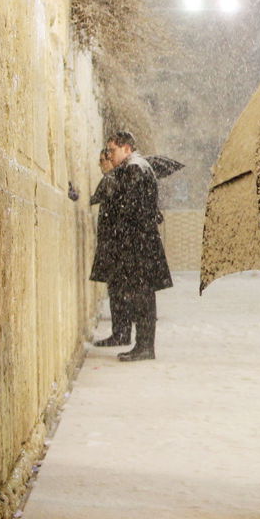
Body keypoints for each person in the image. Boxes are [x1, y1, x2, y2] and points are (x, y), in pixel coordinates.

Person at [91, 131, 173, 362]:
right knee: (140, 294)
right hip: (139, 243)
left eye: (113, 150)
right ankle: (142, 345)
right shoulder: (135, 168)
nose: (110, 155)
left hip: (138, 244)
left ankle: (145, 346)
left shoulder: (134, 168)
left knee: (142, 296)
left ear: (126, 148)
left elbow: (130, 208)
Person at [89, 148, 130, 347]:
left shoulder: (111, 180)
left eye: (102, 160)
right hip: (117, 245)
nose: (100, 165)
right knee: (119, 291)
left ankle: (120, 333)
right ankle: (122, 332)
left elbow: (93, 199)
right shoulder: (118, 179)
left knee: (118, 291)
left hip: (115, 245)